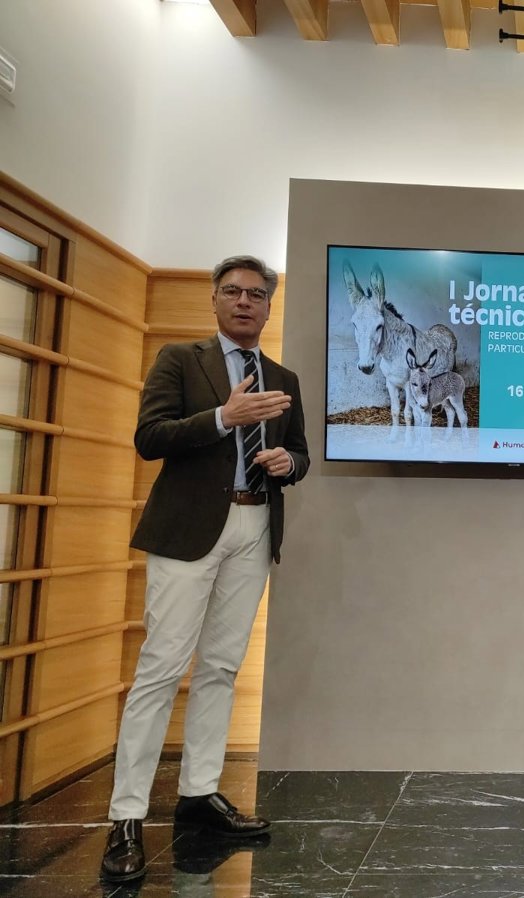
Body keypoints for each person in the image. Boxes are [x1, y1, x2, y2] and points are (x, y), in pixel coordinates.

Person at [100, 255, 309, 883]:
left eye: (256, 294)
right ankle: (126, 817)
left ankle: (199, 794)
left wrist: (287, 464)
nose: (245, 302)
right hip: (189, 531)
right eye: (233, 292)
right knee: (161, 669)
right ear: (214, 300)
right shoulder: (179, 360)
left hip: (255, 526)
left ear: (268, 306)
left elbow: (299, 453)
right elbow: (150, 437)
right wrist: (224, 418)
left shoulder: (282, 377)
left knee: (220, 666)